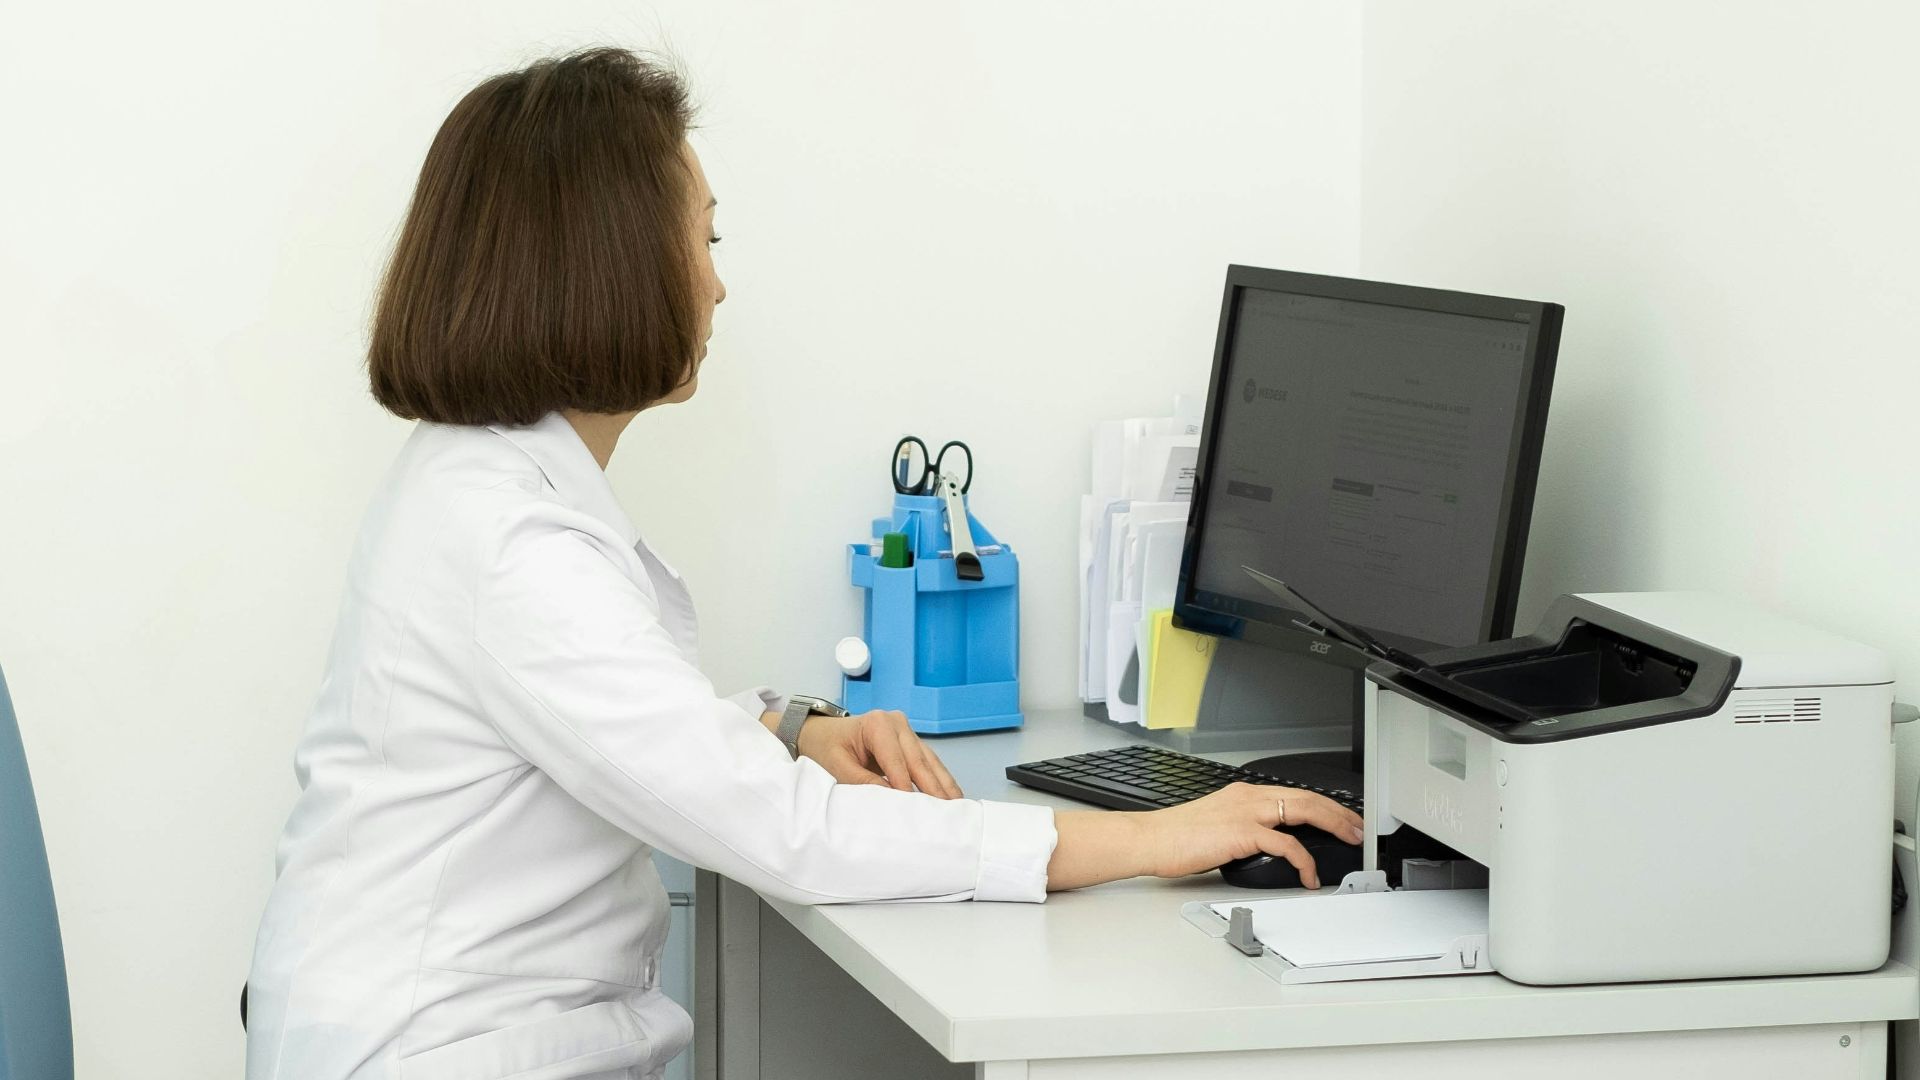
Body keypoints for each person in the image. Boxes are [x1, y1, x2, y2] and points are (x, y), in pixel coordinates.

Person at [244, 47, 1364, 1080]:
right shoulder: (507, 544)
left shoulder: (481, 489)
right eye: (705, 241)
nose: (718, 286)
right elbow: (785, 833)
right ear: (612, 263)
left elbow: (617, 725)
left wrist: (792, 726)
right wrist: (1155, 837)